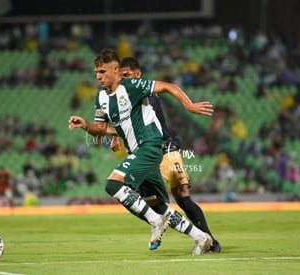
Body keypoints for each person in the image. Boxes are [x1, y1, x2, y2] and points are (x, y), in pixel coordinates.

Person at [68, 48, 214, 255]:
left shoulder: (132, 86)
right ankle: (201, 237)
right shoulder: (100, 98)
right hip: (137, 152)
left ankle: (155, 223)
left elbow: (168, 86)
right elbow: (100, 129)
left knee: (112, 184)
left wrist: (188, 105)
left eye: (102, 72)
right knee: (156, 204)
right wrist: (84, 125)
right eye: (96, 72)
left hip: (151, 145)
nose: (98, 76)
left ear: (116, 70)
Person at [113, 56, 221, 252]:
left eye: (127, 75)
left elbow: (141, 120)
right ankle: (200, 237)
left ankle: (209, 240)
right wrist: (114, 135)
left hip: (165, 147)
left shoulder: (144, 94)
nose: (124, 80)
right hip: (155, 149)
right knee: (152, 203)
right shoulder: (127, 97)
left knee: (181, 198)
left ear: (138, 75)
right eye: (121, 77)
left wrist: (189, 105)